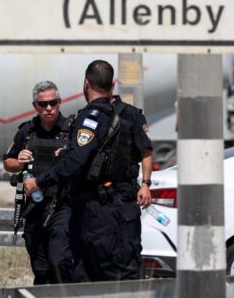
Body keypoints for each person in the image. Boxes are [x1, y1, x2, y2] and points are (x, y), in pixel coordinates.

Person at [24, 60, 154, 281]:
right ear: (112, 85)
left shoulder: (91, 117)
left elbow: (76, 160)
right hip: (118, 207)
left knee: (90, 276)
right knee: (121, 275)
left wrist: (39, 181)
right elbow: (145, 151)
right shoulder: (125, 115)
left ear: (86, 83)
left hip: (98, 209)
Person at [3, 81, 81, 284]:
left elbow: (80, 163)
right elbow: (8, 162)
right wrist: (19, 162)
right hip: (34, 207)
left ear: (60, 102)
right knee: (40, 268)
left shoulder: (72, 130)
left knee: (59, 261)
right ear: (35, 106)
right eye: (43, 104)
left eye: (53, 103)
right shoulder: (26, 131)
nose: (49, 108)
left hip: (62, 205)